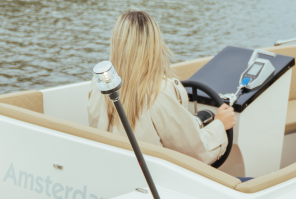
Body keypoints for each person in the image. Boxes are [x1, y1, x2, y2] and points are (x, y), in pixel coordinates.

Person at [88, 10, 235, 165]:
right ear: (155, 46)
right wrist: (220, 125)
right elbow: (196, 155)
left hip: (113, 169)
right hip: (154, 182)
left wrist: (197, 123)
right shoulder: (159, 93)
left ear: (116, 43)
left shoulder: (99, 84)